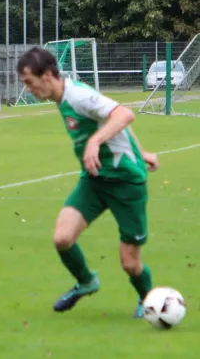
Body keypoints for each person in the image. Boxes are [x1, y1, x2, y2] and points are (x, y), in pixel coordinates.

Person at [17, 47, 159, 318]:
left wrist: (95, 141)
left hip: (126, 183)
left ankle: (148, 299)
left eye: (29, 83)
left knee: (130, 263)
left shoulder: (78, 95)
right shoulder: (61, 98)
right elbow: (114, 121)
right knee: (62, 238)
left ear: (47, 75)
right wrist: (140, 152)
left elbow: (124, 114)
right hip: (94, 181)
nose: (29, 90)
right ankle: (86, 281)